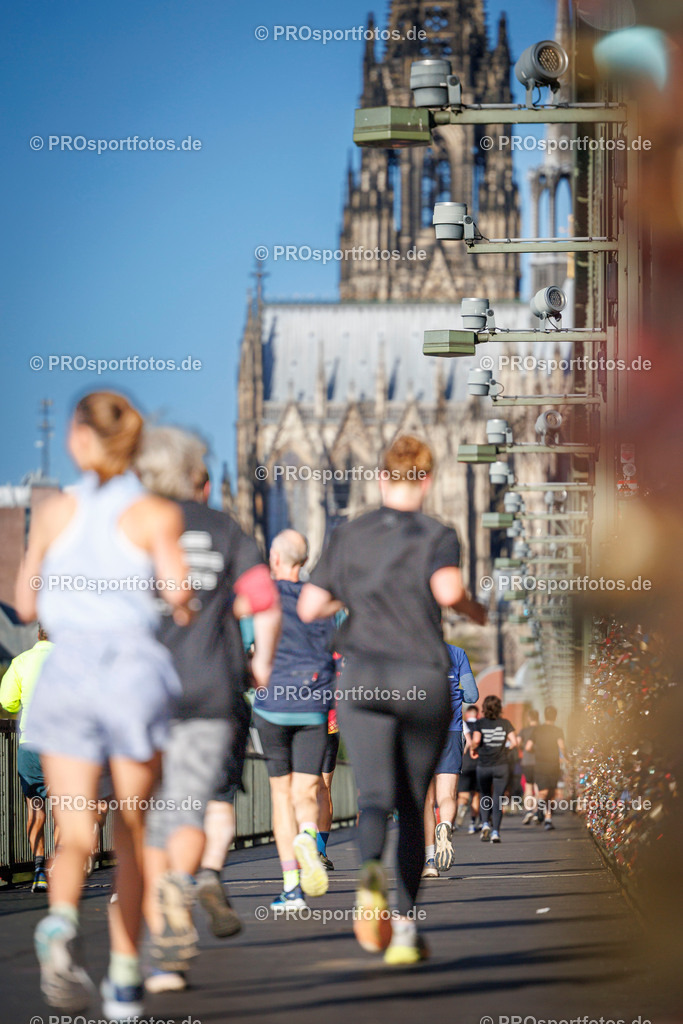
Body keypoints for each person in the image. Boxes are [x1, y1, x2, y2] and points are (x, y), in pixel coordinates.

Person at [15, 391, 192, 1021]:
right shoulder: (154, 513)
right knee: (132, 832)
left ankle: (60, 922)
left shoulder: (55, 511)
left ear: (80, 440)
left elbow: (26, 603)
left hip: (66, 678)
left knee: (73, 832)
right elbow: (178, 594)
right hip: (130, 678)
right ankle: (122, 979)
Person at [298, 435, 487, 965]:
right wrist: (476, 611)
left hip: (362, 678)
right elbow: (448, 592)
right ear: (427, 481)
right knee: (411, 801)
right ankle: (404, 931)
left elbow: (311, 606)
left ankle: (368, 874)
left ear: (381, 478)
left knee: (374, 797)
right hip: (421, 678)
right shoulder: (438, 534)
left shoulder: (349, 534)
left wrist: (356, 591)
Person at [135, 427, 281, 993]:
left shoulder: (134, 525)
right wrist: (260, 662)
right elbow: (263, 600)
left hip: (143, 691)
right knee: (191, 808)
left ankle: (163, 951)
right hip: (210, 688)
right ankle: (185, 880)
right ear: (202, 481)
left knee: (152, 816)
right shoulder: (225, 529)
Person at [253, 529, 336, 911]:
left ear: (275, 559)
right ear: (303, 561)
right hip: (313, 704)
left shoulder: (263, 595)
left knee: (280, 795)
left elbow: (250, 648)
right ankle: (308, 836)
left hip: (273, 704)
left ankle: (292, 889)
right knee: (306, 791)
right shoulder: (319, 600)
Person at [0, 627, 55, 892]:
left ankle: (39, 871)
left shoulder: (21, 661)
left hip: (30, 745)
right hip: (63, 748)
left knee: (36, 808)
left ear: (38, 634)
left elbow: (7, 702)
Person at [423, 644, 479, 877]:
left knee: (427, 801)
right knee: (447, 795)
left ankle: (430, 861)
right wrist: (456, 695)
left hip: (420, 731)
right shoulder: (457, 653)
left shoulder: (409, 648)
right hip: (451, 730)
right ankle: (445, 825)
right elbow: (472, 695)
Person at [470, 695, 517, 843]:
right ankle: (495, 832)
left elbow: (476, 740)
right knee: (498, 798)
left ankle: (485, 824)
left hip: (484, 765)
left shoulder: (480, 723)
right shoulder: (505, 723)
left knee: (484, 795)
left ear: (484, 708)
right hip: (501, 765)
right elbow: (514, 742)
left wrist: (473, 749)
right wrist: (505, 750)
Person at [526, 705, 565, 830]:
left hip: (540, 764)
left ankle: (539, 808)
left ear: (544, 715)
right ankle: (548, 819)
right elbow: (562, 746)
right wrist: (566, 757)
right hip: (553, 764)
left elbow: (528, 747)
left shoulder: (537, 730)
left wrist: (537, 751)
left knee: (542, 791)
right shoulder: (558, 730)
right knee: (551, 792)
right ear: (555, 716)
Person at [317, 707, 340, 870]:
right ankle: (320, 852)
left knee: (300, 788)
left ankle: (303, 849)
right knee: (324, 789)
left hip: (298, 723)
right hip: (330, 726)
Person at [519, 709, 540, 825]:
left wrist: (523, 747)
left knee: (528, 787)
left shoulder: (524, 730)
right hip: (539, 761)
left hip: (527, 761)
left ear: (528, 718)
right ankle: (536, 812)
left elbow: (517, 742)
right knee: (537, 787)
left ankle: (528, 811)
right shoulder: (542, 730)